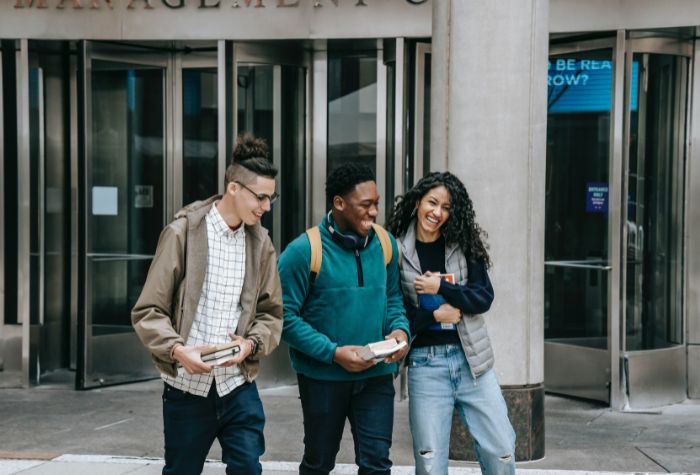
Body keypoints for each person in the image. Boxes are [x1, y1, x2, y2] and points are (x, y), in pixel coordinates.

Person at [131, 134, 283, 475]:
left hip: (237, 385)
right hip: (186, 389)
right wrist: (178, 350)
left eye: (271, 199)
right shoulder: (184, 232)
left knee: (247, 467)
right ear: (233, 188)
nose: (266, 207)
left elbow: (270, 312)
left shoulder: (261, 243)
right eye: (260, 197)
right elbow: (148, 311)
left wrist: (251, 343)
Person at [278, 163, 410, 475]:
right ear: (339, 203)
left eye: (377, 203)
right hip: (323, 379)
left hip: (377, 376)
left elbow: (392, 298)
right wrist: (333, 353)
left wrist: (399, 330)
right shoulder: (302, 251)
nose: (375, 211)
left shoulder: (387, 244)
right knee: (319, 463)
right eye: (366, 205)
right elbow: (283, 317)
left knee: (377, 464)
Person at [387, 171, 516, 475]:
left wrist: (442, 288)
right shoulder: (395, 250)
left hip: (472, 363)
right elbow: (396, 314)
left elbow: (483, 297)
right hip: (425, 365)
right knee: (430, 462)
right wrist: (434, 315)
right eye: (432, 203)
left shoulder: (463, 243)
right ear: (418, 202)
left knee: (502, 452)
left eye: (446, 207)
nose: (437, 213)